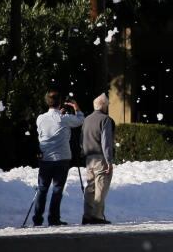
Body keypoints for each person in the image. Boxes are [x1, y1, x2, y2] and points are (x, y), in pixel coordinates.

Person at [33, 90, 84, 226]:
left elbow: (44, 132)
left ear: (47, 102)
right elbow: (80, 120)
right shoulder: (64, 118)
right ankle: (53, 218)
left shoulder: (40, 118)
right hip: (62, 158)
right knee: (57, 190)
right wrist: (75, 106)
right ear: (60, 102)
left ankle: (37, 218)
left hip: (45, 158)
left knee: (42, 189)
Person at [81, 93, 115, 225]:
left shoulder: (87, 119)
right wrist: (109, 161)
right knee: (100, 187)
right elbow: (106, 142)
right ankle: (97, 216)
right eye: (107, 105)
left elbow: (81, 140)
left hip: (89, 158)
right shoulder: (105, 119)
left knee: (90, 188)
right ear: (104, 106)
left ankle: (87, 215)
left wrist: (84, 153)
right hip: (100, 157)